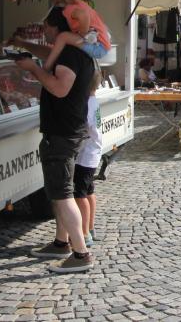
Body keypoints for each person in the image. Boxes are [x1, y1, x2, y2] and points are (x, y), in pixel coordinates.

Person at [14, 7, 96, 273]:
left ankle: (80, 254)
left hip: (62, 132)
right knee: (63, 189)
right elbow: (49, 54)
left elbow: (60, 89)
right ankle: (61, 243)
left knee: (62, 194)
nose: (45, 31)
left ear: (56, 27)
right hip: (70, 129)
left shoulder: (70, 54)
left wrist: (33, 70)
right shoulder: (75, 50)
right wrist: (22, 46)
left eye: (47, 26)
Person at [42, 0, 111, 72]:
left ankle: (46, 67)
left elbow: (84, 16)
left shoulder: (70, 8)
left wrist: (83, 34)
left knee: (63, 37)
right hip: (102, 44)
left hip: (99, 47)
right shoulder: (77, 3)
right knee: (65, 37)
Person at [74, 91, 103, 247]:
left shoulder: (87, 103)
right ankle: (90, 228)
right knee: (89, 191)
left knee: (80, 195)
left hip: (86, 154)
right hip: (92, 152)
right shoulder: (93, 100)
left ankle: (84, 234)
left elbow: (84, 125)